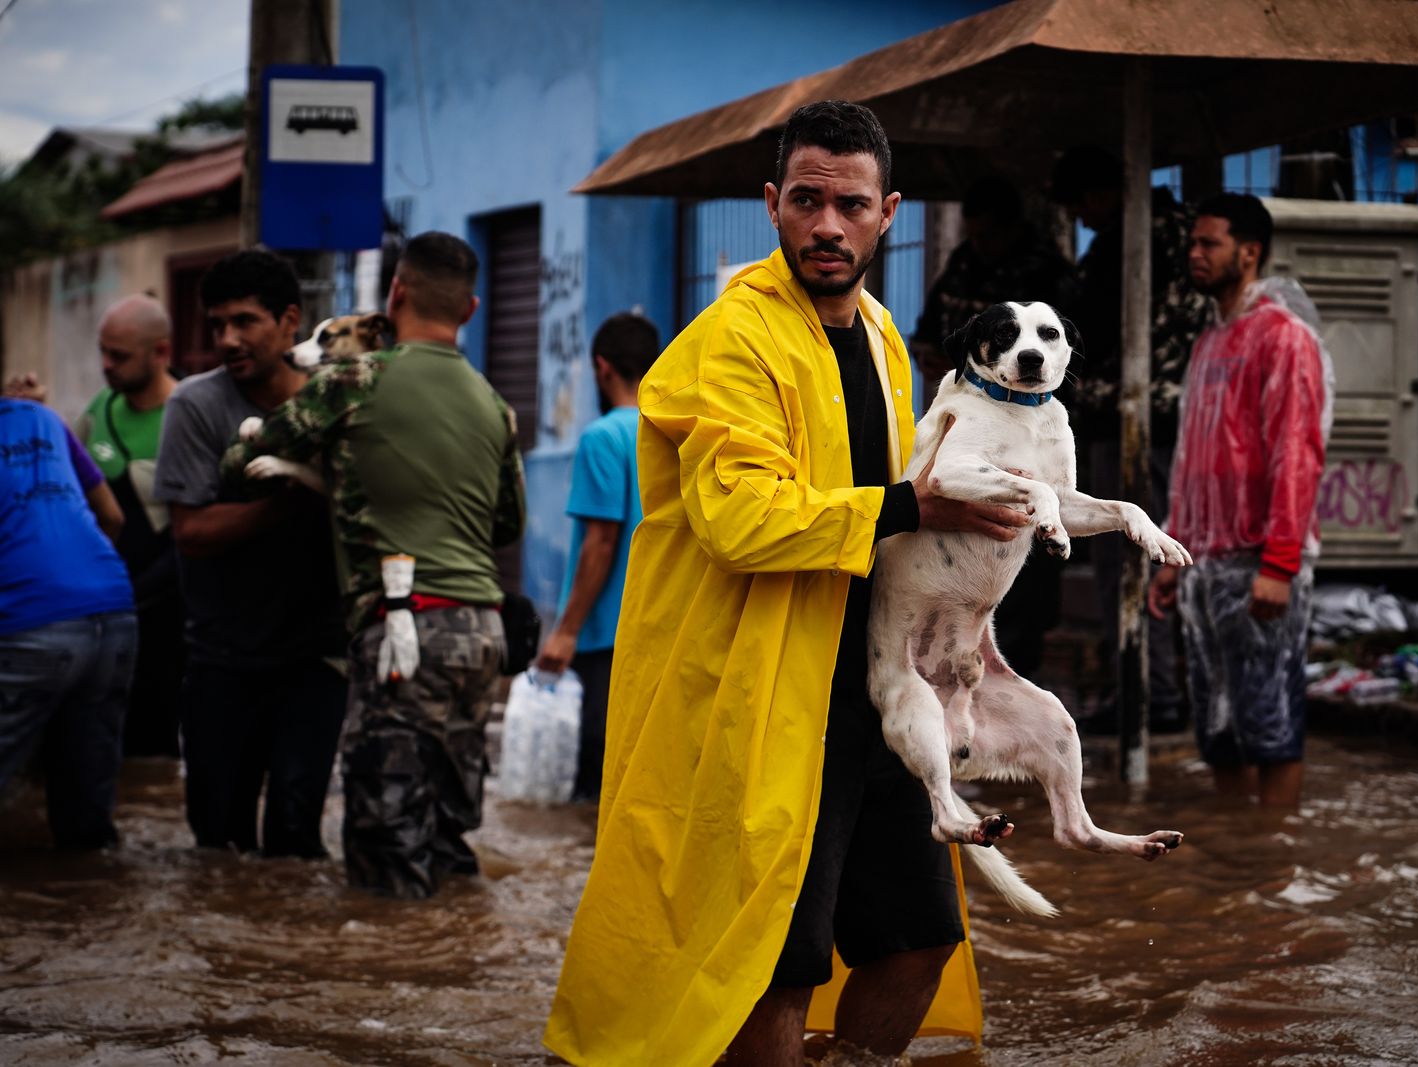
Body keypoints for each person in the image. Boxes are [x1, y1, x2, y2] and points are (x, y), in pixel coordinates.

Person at [545, 100, 1029, 1067]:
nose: (826, 226)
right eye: (806, 200)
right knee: (775, 958)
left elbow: (914, 509)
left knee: (921, 938)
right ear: (771, 204)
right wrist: (907, 509)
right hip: (764, 693)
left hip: (882, 685)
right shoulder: (733, 339)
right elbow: (741, 519)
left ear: (887, 212)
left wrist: (967, 630)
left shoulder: (888, 336)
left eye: (849, 205)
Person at [221, 232, 526, 899]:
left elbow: (242, 464)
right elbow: (507, 525)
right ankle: (457, 974)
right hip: (483, 636)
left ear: (396, 293)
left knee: (387, 847)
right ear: (471, 308)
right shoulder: (493, 405)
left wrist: (329, 474)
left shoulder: (352, 379)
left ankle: (388, 993)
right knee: (448, 834)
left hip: (402, 630)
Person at [153, 250, 348, 858]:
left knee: (296, 844)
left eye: (244, 322)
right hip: (221, 661)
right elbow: (190, 531)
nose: (228, 339)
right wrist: (290, 501)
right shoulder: (197, 405)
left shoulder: (336, 399)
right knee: (219, 846)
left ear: (290, 320)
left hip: (315, 660)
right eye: (217, 326)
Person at [1148, 193, 1329, 807]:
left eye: (1209, 244)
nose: (1193, 254)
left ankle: (1276, 861)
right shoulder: (1208, 344)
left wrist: (1280, 564)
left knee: (1271, 724)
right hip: (1205, 568)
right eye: (1192, 243)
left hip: (1259, 563)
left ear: (1248, 253)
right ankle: (1237, 861)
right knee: (1219, 730)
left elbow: (1297, 456)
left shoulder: (1284, 338)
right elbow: (1190, 465)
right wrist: (1173, 556)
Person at [1051, 146, 1208, 732]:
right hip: (1165, 416)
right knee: (1148, 555)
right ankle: (1150, 690)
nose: (1084, 217)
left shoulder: (1135, 239)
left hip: (1136, 417)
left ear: (1105, 190)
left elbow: (1085, 321)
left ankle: (1151, 697)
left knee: (1134, 554)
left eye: (1083, 204)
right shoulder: (1177, 232)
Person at [907, 176, 1076, 678]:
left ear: (1011, 225)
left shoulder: (1047, 272)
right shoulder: (963, 263)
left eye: (989, 233)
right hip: (976, 410)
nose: (981, 242)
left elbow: (1061, 350)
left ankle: (1019, 666)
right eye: (974, 232)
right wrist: (960, 374)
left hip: (1036, 418)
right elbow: (929, 332)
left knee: (1035, 550)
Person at [533, 311, 659, 803]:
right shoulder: (670, 433)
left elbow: (600, 542)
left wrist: (564, 630)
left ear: (601, 368)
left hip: (606, 639)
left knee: (596, 788)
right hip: (657, 629)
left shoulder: (602, 438)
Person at [0, 396, 137, 849]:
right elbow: (112, 517)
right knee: (86, 824)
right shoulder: (43, 417)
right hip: (114, 607)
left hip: (35, 623)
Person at [77, 295, 185, 757]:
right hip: (104, 608)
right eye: (103, 351)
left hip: (166, 613)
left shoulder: (187, 413)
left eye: (118, 355)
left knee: (154, 741)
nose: (106, 365)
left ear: (160, 352)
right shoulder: (98, 409)